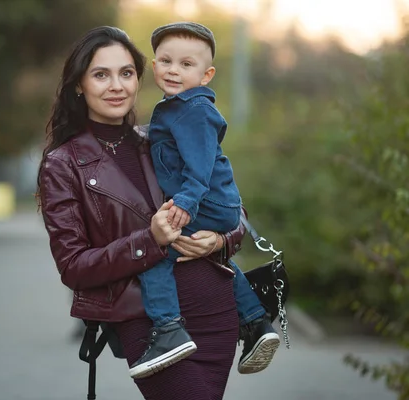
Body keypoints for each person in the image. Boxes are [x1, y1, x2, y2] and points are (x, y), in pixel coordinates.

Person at [38, 26, 247, 399]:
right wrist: (148, 241)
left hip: (215, 312)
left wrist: (221, 238)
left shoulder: (161, 139)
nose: (116, 85)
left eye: (126, 73)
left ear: (139, 78)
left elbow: (231, 207)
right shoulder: (63, 164)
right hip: (150, 325)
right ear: (78, 85)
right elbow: (73, 267)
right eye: (101, 74)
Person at [128, 22, 280, 378]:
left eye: (186, 64)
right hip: (217, 203)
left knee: (156, 252)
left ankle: (168, 330)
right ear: (153, 67)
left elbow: (198, 168)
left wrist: (184, 205)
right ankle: (257, 323)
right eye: (166, 61)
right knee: (209, 255)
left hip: (205, 201)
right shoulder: (175, 108)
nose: (174, 70)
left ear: (207, 74)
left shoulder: (194, 111)